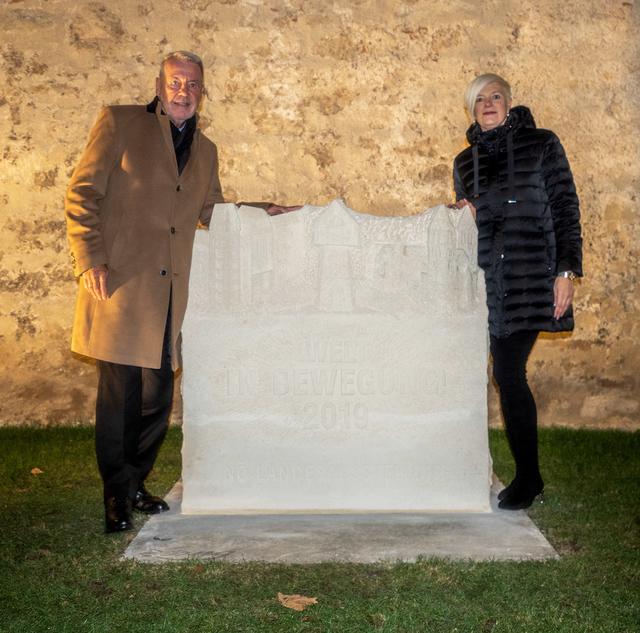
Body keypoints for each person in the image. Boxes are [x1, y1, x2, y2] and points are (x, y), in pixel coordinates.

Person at [65, 51, 299, 533]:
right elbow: (82, 193)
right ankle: (115, 494)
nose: (183, 91)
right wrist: (90, 258)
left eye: (193, 85)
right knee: (121, 396)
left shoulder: (206, 149)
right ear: (159, 84)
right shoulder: (119, 123)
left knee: (157, 395)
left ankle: (135, 482)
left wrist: (261, 211)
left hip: (170, 295)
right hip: (120, 285)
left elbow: (210, 210)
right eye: (175, 82)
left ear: (202, 91)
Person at [452, 73, 583, 510]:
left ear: (508, 104)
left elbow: (566, 207)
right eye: (480, 100)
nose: (488, 104)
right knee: (505, 376)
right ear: (472, 109)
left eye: (496, 97)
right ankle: (526, 476)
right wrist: (462, 217)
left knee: (508, 374)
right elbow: (470, 231)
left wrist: (565, 271)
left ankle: (529, 479)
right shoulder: (464, 163)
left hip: (535, 276)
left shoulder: (542, 144)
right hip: (490, 283)